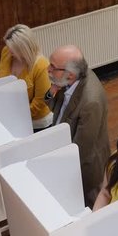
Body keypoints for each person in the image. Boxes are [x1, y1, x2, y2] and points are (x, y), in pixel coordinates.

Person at [46, 45, 110, 207]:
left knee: (87, 207)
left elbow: (82, 150)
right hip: (65, 149)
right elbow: (56, 108)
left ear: (71, 75)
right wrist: (52, 91)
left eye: (53, 67)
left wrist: (61, 172)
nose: (48, 69)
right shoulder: (67, 80)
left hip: (85, 169)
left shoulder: (90, 102)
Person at [0, 24, 53, 131]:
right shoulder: (7, 52)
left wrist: (15, 117)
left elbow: (41, 101)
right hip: (10, 117)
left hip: (36, 122)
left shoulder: (41, 65)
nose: (9, 51)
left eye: (13, 49)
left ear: (24, 49)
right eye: (8, 46)